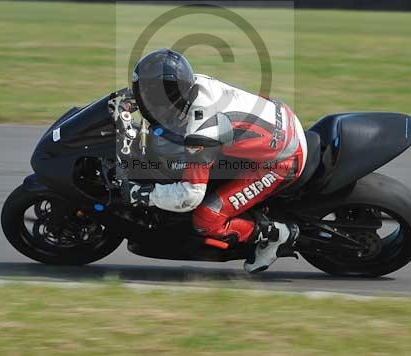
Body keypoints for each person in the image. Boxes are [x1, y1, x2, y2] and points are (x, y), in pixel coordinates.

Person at [122, 48, 307, 273]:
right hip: (280, 119)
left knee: (206, 217)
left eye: (149, 96)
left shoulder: (201, 132)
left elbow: (190, 197)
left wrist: (144, 195)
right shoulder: (194, 84)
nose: (145, 100)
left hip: (283, 159)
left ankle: (276, 234)